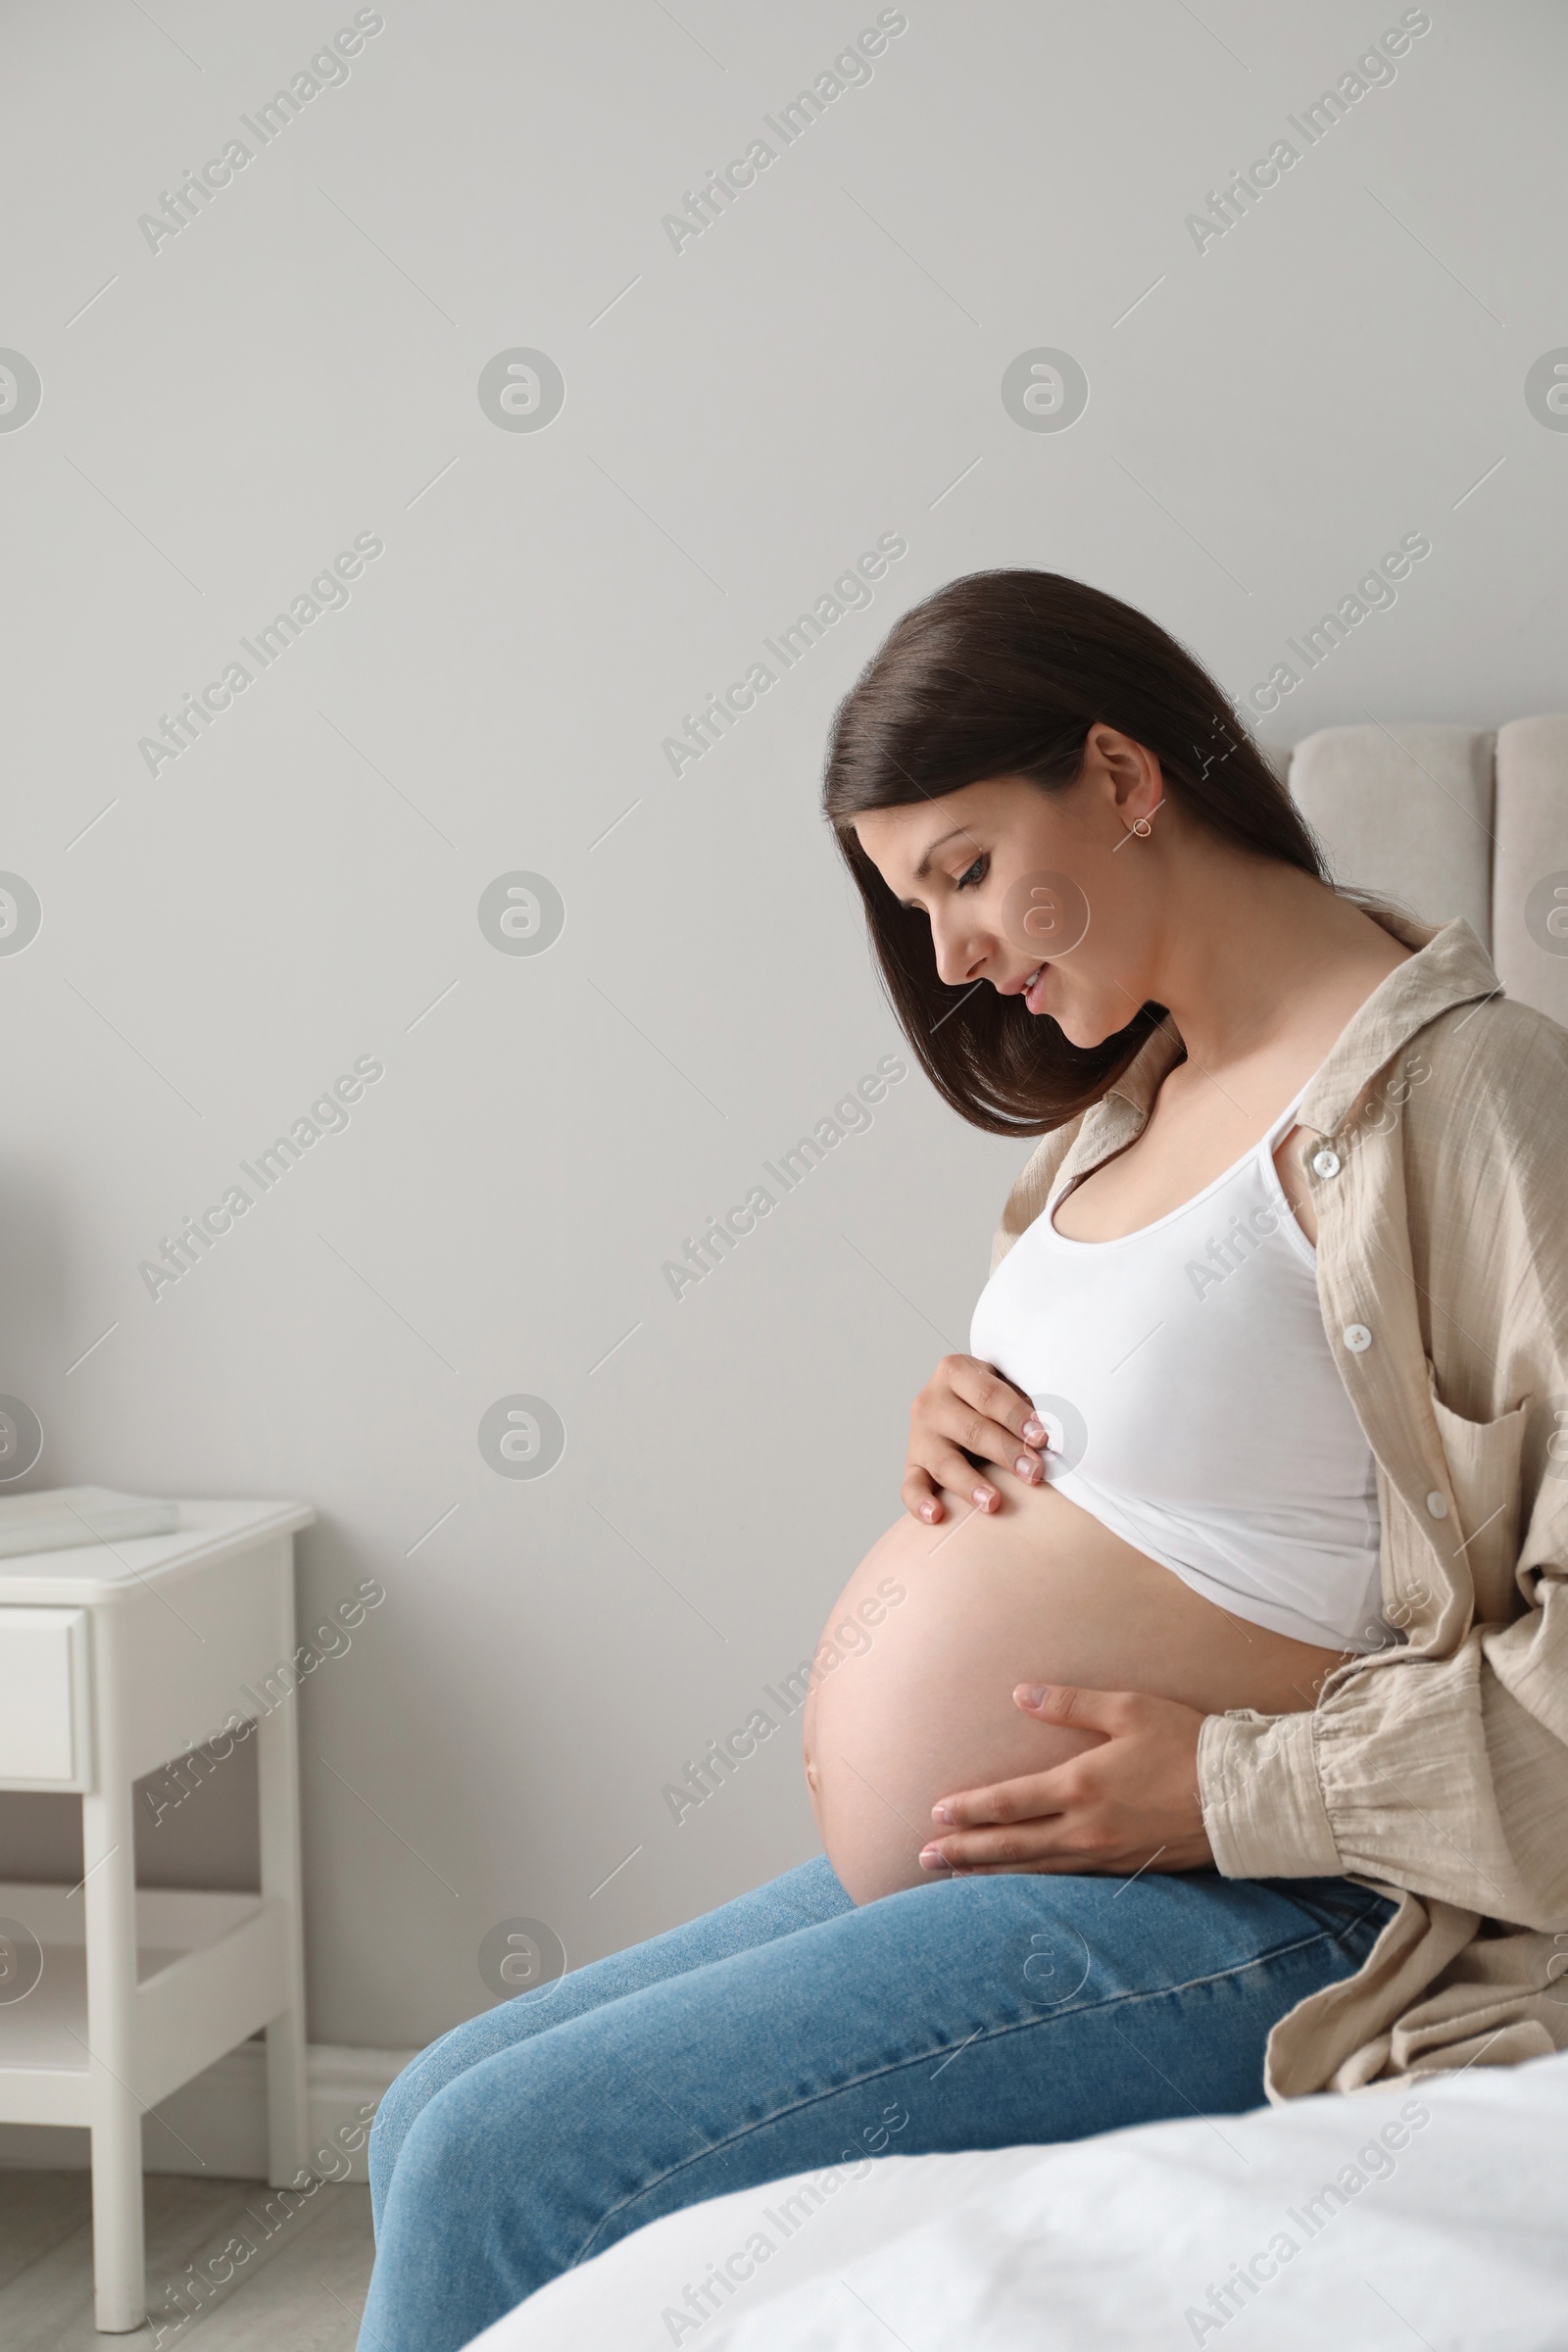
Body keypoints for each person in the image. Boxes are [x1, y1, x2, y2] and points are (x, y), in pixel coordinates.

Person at [358, 572, 1568, 2352]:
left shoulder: (1465, 1095)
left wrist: (1233, 1793)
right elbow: (1185, 1476)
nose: (950, 958)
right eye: (911, 900)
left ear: (1123, 774)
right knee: (422, 2111)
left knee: (498, 2165)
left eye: (965, 870)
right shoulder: (1124, 1104)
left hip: (1297, 1893)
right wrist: (966, 1421)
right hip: (1055, 1848)